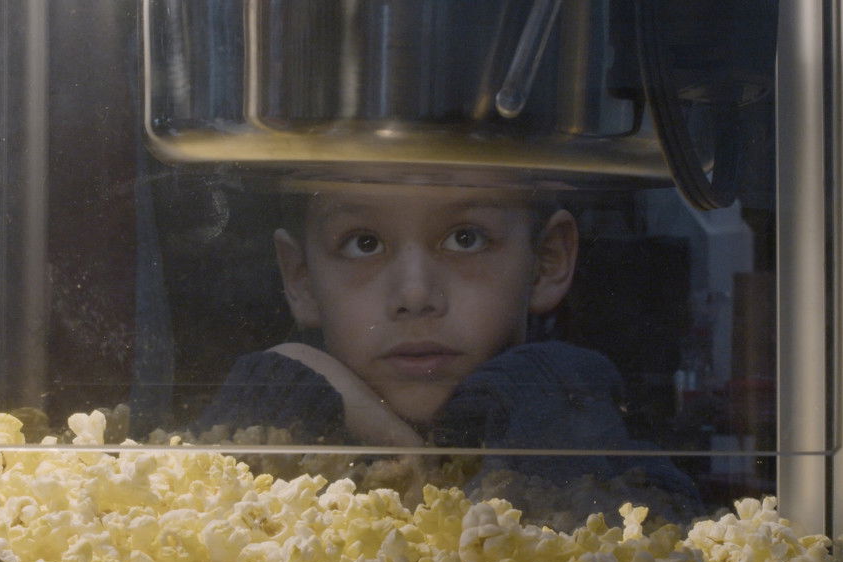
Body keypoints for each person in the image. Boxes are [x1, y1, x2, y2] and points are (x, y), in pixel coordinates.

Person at [195, 180, 699, 503]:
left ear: (547, 260)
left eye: (466, 238)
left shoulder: (582, 420)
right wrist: (290, 376)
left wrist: (541, 389)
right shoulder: (275, 401)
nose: (415, 295)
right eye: (363, 243)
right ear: (301, 279)